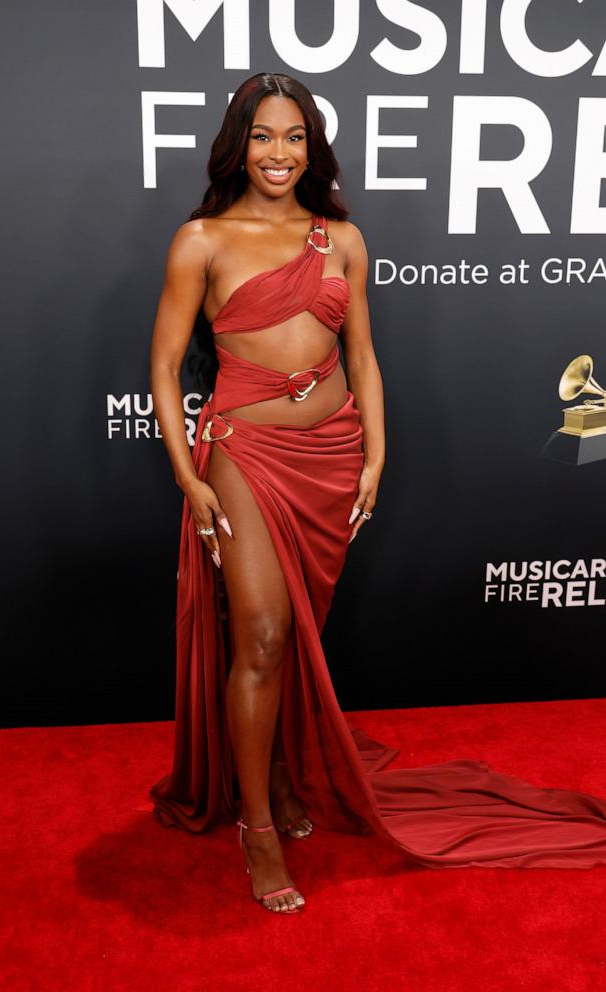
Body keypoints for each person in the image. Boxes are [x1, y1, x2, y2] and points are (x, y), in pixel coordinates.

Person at [148, 72, 606, 916]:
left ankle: (283, 777)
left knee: (294, 639)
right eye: (261, 136)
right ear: (236, 145)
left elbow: (361, 356)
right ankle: (257, 828)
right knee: (258, 631)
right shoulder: (200, 240)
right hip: (244, 453)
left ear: (311, 147)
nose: (278, 153)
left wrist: (375, 456)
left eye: (293, 137)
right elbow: (165, 366)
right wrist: (186, 474)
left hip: (331, 457)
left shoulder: (343, 239)